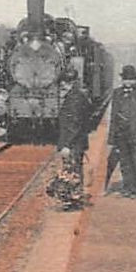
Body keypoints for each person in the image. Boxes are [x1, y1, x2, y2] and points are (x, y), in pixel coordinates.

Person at [106, 65, 136, 199]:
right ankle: (127, 187)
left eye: (131, 79)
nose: (128, 82)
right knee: (124, 162)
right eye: (126, 79)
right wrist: (111, 138)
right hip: (121, 134)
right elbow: (113, 115)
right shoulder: (117, 93)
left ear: (135, 80)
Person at [55, 68, 93, 210]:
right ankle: (73, 199)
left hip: (73, 143)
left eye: (63, 83)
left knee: (73, 170)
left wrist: (66, 144)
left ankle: (74, 201)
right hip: (77, 142)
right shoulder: (77, 95)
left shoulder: (74, 98)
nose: (61, 86)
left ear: (67, 82)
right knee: (74, 170)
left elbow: (75, 124)